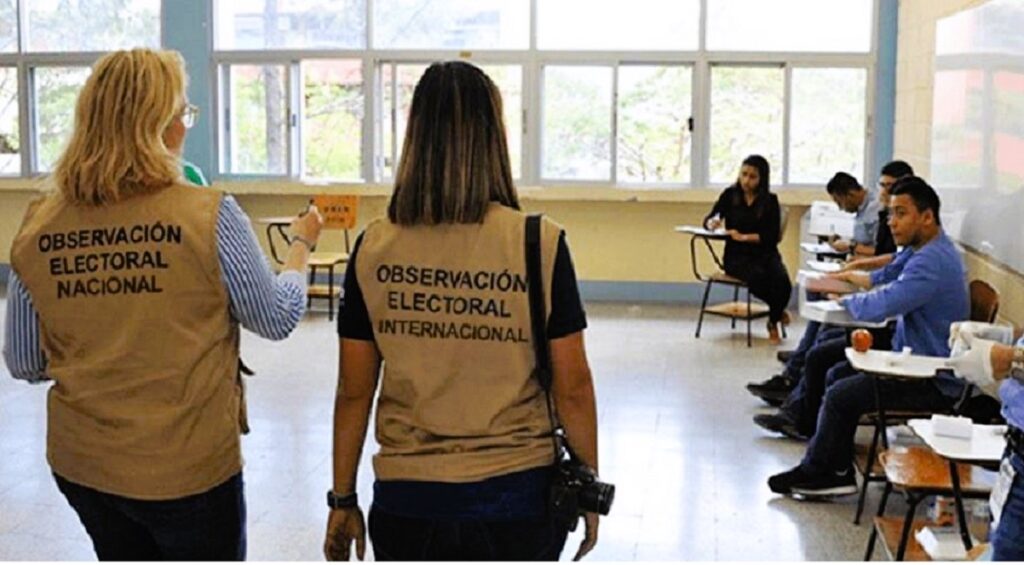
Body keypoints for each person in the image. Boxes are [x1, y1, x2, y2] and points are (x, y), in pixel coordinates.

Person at [1, 48, 323, 560]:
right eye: (183, 114)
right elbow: (278, 317)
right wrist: (301, 248)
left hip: (86, 466)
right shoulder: (208, 215)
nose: (185, 128)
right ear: (161, 126)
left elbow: (24, 362)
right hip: (186, 468)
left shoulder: (40, 224)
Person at [322, 61, 600, 562]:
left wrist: (343, 497)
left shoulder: (374, 246)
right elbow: (573, 387)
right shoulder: (538, 242)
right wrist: (589, 485)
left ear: (415, 136)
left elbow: (353, 389)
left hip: (409, 500)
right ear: (494, 138)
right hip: (517, 499)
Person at [767, 176, 969, 497]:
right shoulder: (923, 249)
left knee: (841, 393)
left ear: (927, 216)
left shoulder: (932, 261)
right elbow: (885, 277)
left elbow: (883, 304)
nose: (891, 223)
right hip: (912, 356)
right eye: (890, 214)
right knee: (834, 371)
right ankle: (834, 467)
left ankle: (824, 471)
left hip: (932, 379)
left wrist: (846, 300)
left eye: (900, 213)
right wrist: (851, 278)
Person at [748, 161, 915, 405]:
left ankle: (795, 381)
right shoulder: (901, 236)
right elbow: (888, 266)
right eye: (883, 186)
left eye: (891, 188)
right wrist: (854, 270)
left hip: (893, 334)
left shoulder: (926, 258)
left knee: (825, 337)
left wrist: (849, 297)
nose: (884, 193)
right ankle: (796, 381)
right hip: (880, 302)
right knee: (821, 315)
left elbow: (886, 298)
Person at [948, 327, 1024, 560]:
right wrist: (1004, 336)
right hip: (1016, 445)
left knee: (1006, 552)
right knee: (999, 543)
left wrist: (1011, 359)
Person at [704, 155, 791, 344]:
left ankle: (773, 316)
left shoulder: (770, 201)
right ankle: (776, 315)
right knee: (757, 277)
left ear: (762, 179)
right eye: (744, 174)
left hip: (764, 252)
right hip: (737, 256)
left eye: (752, 177)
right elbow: (711, 217)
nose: (746, 180)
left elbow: (771, 236)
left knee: (783, 281)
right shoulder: (730, 194)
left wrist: (744, 236)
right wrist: (713, 222)